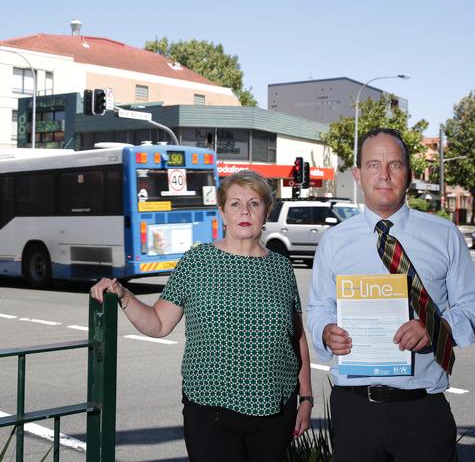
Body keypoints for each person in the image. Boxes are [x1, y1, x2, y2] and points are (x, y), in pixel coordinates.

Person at [90, 170, 312, 462]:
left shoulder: (281, 268)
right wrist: (123, 295)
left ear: (266, 211)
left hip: (275, 412)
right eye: (234, 204)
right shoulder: (197, 262)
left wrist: (306, 398)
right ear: (222, 212)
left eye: (254, 203)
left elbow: (296, 337)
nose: (244, 211)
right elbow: (159, 324)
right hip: (211, 411)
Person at [307, 128, 475, 462]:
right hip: (354, 409)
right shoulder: (335, 241)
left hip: (422, 410)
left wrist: (436, 328)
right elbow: (319, 306)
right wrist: (324, 331)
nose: (385, 174)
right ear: (358, 175)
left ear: (410, 174)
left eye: (395, 164)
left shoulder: (444, 235)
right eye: (374, 164)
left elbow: (473, 302)